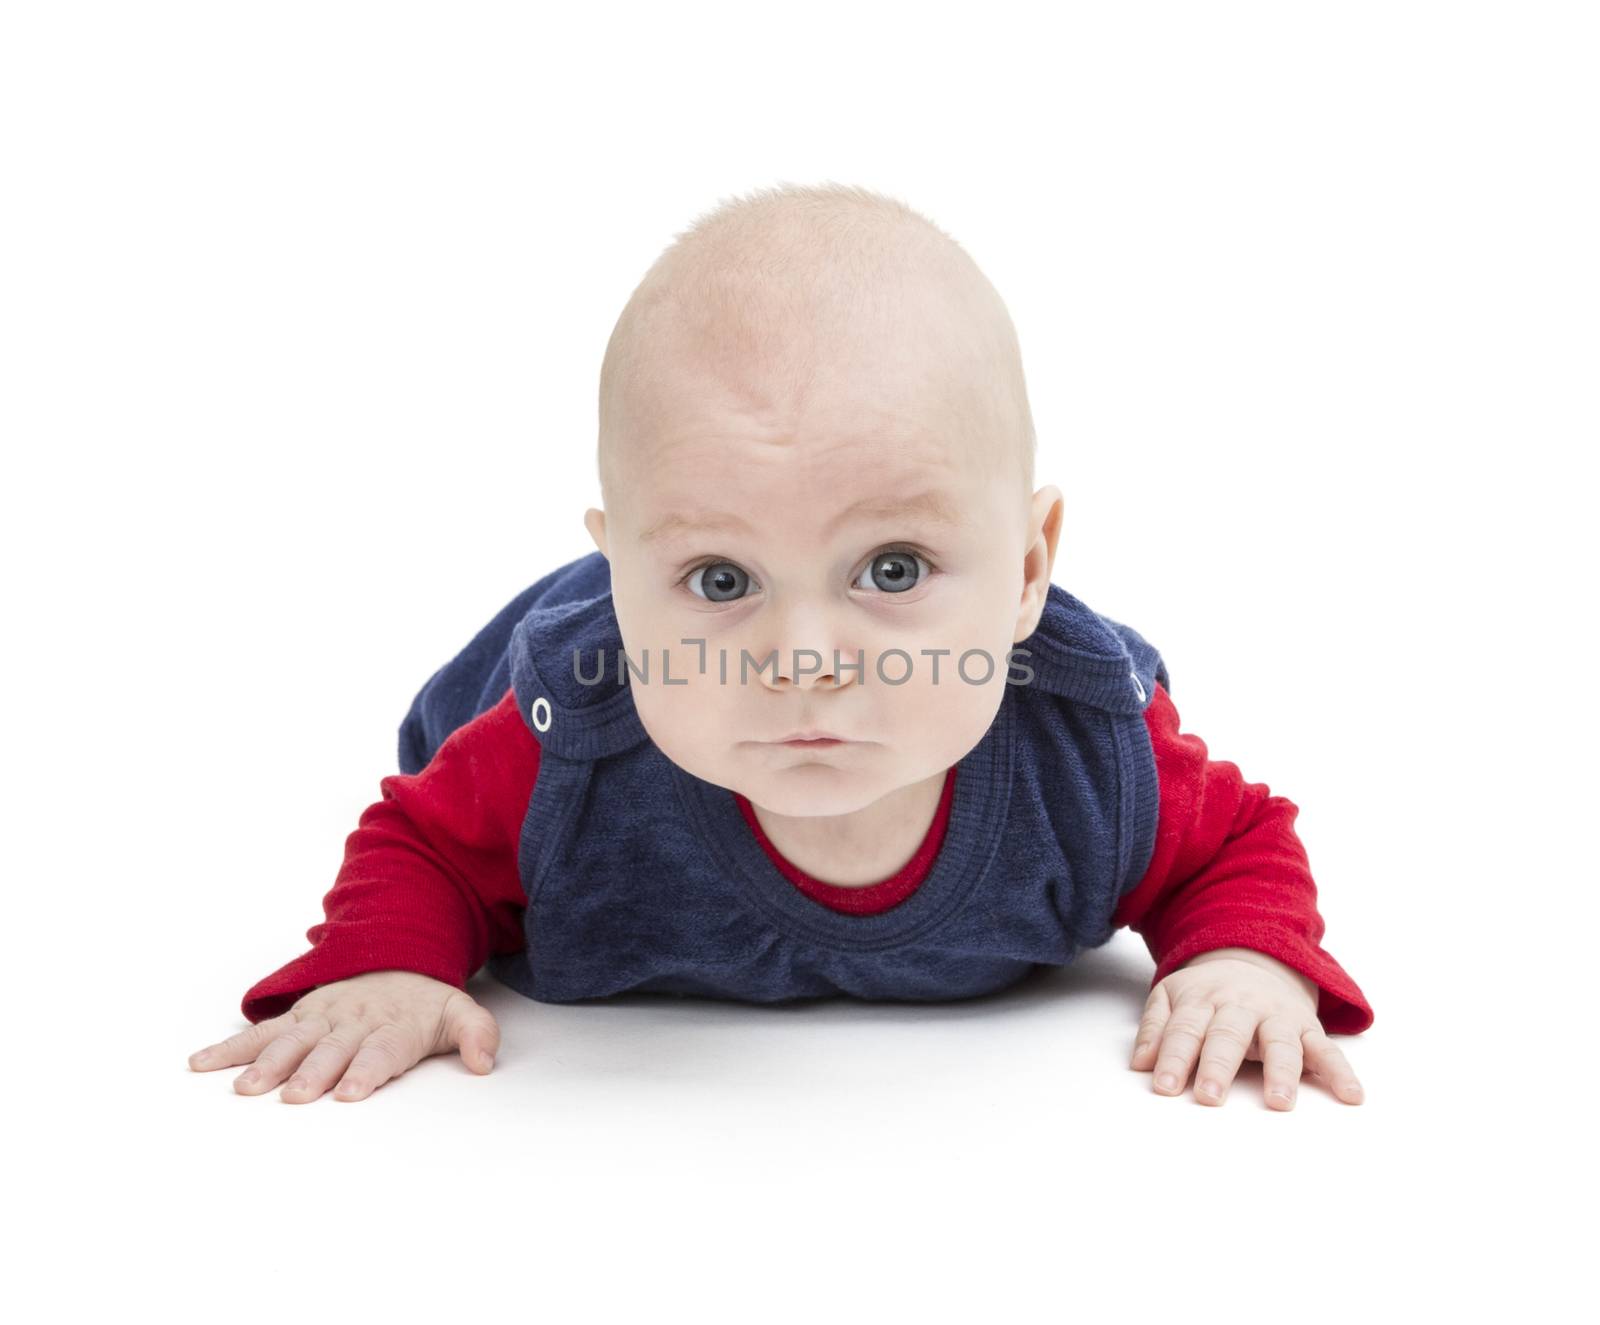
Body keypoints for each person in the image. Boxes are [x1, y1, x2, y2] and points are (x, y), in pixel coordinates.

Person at [188, 181, 1371, 1110]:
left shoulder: (1084, 750)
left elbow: (1240, 841)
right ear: (625, 572)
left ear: (1022, 569)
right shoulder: (566, 746)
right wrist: (391, 963)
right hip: (549, 678)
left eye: (891, 569)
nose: (803, 655)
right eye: (720, 579)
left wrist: (1244, 959)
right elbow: (424, 840)